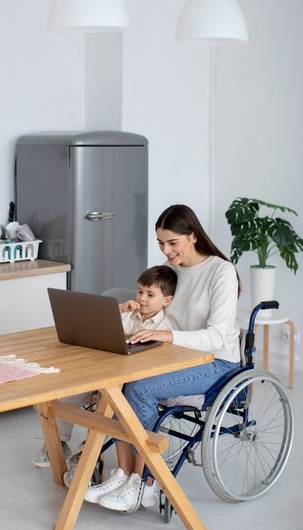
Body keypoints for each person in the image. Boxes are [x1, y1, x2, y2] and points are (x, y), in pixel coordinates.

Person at [85, 204, 241, 512]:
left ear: (193, 236)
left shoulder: (221, 271)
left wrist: (169, 336)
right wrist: (135, 309)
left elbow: (219, 336)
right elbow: (157, 310)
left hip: (216, 361)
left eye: (172, 242)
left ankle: (147, 483)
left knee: (140, 388)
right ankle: (124, 474)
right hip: (175, 355)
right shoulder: (174, 271)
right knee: (116, 381)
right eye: (160, 242)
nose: (165, 250)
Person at [32, 265, 178, 473]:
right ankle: (58, 443)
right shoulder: (129, 315)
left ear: (166, 300)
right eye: (140, 291)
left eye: (150, 294)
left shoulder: (165, 327)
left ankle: (88, 452)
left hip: (127, 380)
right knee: (67, 396)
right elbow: (97, 325)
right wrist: (119, 309)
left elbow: (157, 360)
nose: (142, 298)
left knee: (105, 403)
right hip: (104, 370)